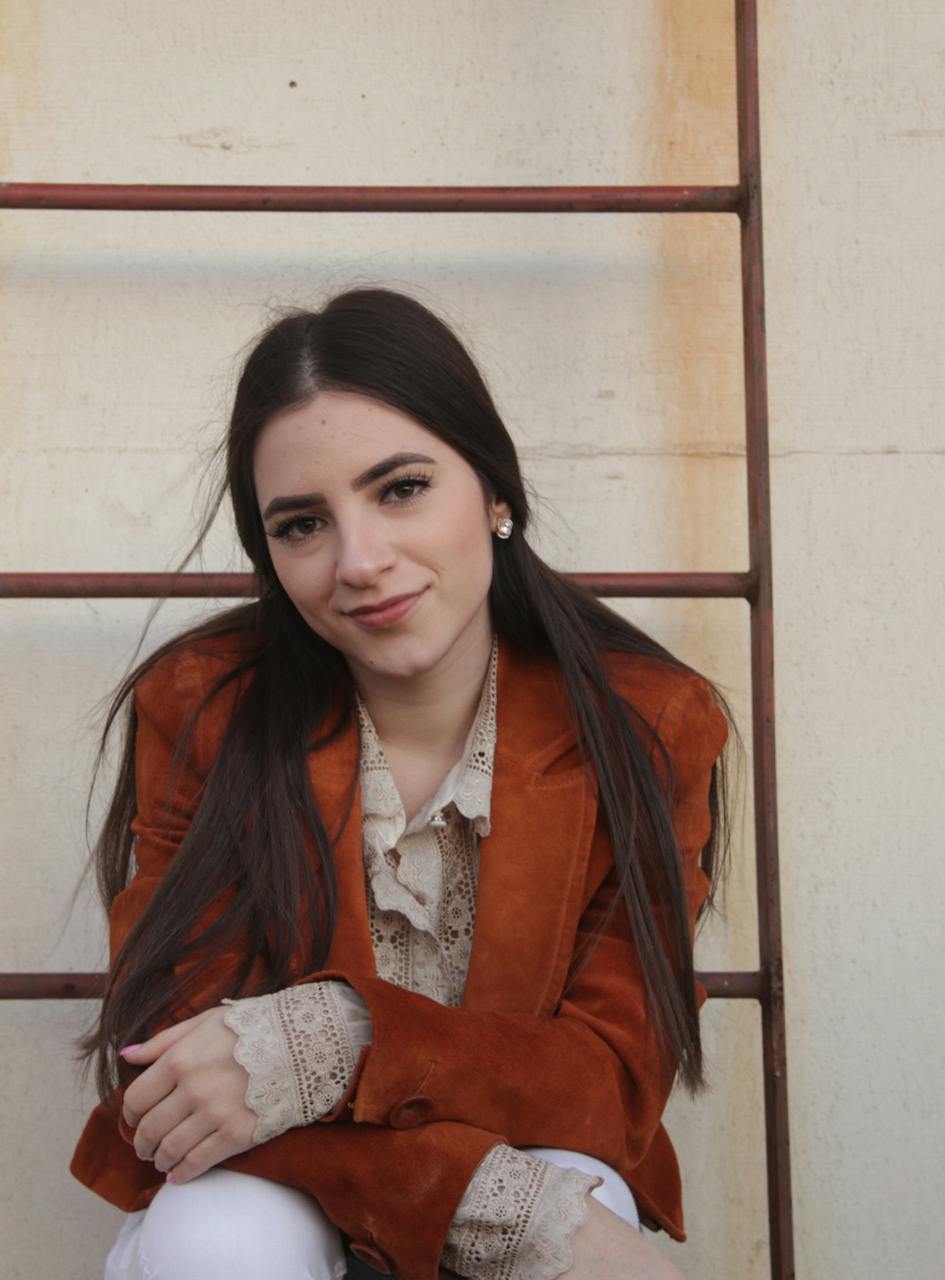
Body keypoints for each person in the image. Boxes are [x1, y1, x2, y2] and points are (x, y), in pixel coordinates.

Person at [66, 286, 738, 1280]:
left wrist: (339, 1038)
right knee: (216, 1240)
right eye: (302, 523)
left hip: (541, 1150)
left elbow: (611, 1077)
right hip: (276, 1179)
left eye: (402, 487)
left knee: (568, 1186)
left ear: (497, 491)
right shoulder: (204, 704)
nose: (362, 561)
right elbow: (174, 1076)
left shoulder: (646, 725)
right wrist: (494, 1207)